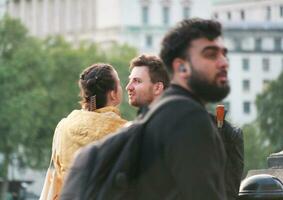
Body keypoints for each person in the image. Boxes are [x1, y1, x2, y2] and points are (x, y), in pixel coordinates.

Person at [135, 18, 230, 200]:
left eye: (224, 54)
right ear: (181, 67)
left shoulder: (160, 114)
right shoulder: (189, 120)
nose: (223, 62)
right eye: (211, 55)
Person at [39, 63, 127, 200]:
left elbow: (56, 176)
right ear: (113, 94)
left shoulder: (63, 127)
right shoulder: (123, 131)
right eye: (119, 84)